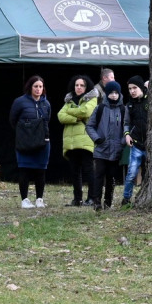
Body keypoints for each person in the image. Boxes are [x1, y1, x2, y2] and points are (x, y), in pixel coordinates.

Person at [9, 75, 52, 209]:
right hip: (25, 142)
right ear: (30, 87)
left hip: (43, 141)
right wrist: (25, 133)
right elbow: (13, 120)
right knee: (25, 169)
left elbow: (47, 120)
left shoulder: (46, 103)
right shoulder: (20, 102)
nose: (38, 89)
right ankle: (25, 200)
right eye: (35, 86)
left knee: (41, 170)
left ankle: (39, 198)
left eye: (40, 86)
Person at [86, 80, 128, 210]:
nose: (114, 95)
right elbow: (89, 126)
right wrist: (97, 139)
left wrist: (122, 142)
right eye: (111, 93)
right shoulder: (100, 108)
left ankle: (108, 202)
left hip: (116, 150)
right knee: (98, 175)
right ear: (107, 94)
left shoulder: (123, 109)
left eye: (116, 93)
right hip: (101, 149)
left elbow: (126, 126)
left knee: (111, 177)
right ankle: (96, 201)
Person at [58, 74, 99, 207]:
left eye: (82, 85)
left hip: (85, 140)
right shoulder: (69, 100)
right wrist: (76, 118)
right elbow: (60, 116)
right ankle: (77, 199)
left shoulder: (92, 99)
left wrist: (70, 112)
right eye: (77, 85)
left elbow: (86, 112)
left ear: (87, 87)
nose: (79, 87)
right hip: (71, 143)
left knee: (89, 170)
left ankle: (92, 198)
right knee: (75, 172)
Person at [121, 76, 148, 207]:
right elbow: (126, 123)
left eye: (135, 88)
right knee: (131, 174)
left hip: (150, 144)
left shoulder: (151, 101)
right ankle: (126, 199)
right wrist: (127, 135)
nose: (132, 91)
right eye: (130, 89)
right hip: (136, 144)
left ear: (141, 87)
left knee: (149, 173)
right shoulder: (129, 105)